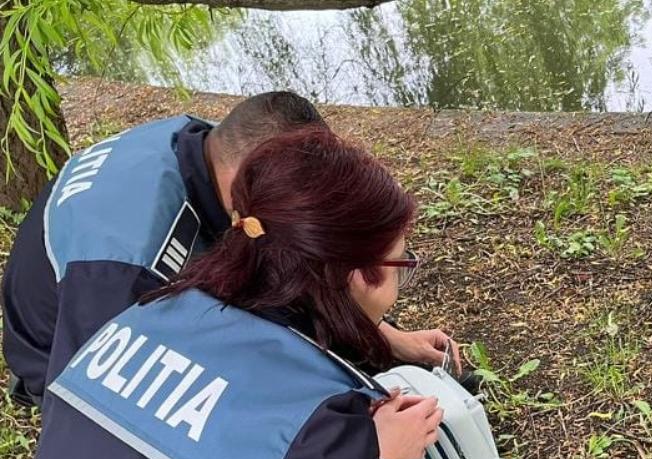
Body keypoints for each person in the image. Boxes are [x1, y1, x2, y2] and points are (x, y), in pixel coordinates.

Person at [0, 128, 485, 459]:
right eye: (404, 262)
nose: (403, 276)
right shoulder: (314, 417)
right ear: (358, 274)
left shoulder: (137, 316)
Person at [1, 92, 461, 409]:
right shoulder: (130, 266)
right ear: (250, 173)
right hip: (68, 353)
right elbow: (100, 401)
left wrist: (382, 337)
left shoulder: (203, 144)